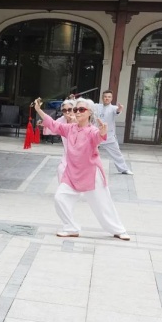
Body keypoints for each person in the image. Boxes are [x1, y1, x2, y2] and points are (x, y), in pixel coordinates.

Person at [34, 97, 130, 241]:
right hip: (71, 173)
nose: (77, 112)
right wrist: (38, 110)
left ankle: (118, 230)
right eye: (75, 109)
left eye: (81, 109)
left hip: (91, 174)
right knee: (60, 198)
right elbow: (53, 124)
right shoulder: (69, 128)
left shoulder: (92, 131)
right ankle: (71, 227)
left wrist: (102, 132)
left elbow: (98, 138)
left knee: (103, 204)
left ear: (90, 112)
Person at [94, 90, 133, 175]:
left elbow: (117, 111)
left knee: (116, 153)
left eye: (109, 97)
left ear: (111, 98)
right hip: (95, 135)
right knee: (86, 151)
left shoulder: (113, 108)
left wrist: (120, 108)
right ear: (102, 97)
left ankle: (124, 169)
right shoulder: (96, 106)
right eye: (105, 97)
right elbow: (85, 105)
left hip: (109, 136)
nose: (107, 98)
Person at [37, 99, 76, 182]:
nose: (67, 112)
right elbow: (52, 125)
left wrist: (75, 121)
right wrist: (43, 122)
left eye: (69, 109)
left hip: (81, 155)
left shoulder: (80, 118)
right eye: (64, 110)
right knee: (61, 171)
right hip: (68, 154)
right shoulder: (62, 120)